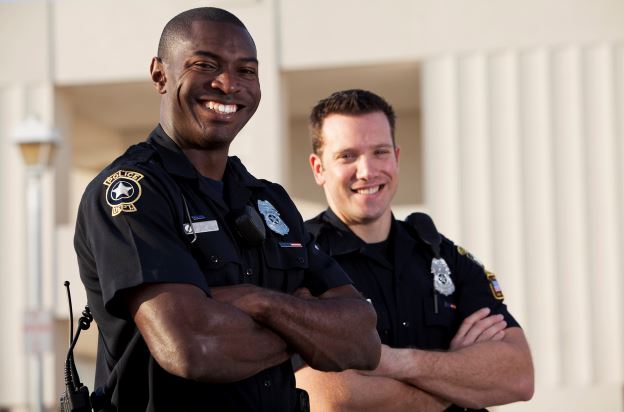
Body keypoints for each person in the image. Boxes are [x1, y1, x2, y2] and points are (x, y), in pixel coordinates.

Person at [73, 10, 380, 412]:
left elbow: (362, 341)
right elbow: (191, 348)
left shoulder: (270, 202)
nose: (228, 84)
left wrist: (259, 302)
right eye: (205, 64)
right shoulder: (131, 194)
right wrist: (311, 329)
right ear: (160, 75)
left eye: (246, 70)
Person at [295, 89, 534, 411]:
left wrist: (395, 362)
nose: (367, 171)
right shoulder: (297, 262)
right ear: (318, 168)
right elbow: (332, 398)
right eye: (347, 156)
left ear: (396, 156)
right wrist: (458, 375)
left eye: (379, 152)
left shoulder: (443, 256)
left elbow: (517, 376)